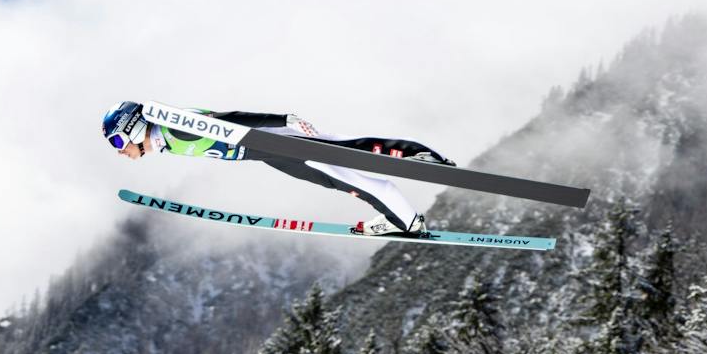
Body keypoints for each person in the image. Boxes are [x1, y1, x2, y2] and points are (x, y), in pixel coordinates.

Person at [102, 101, 454, 237]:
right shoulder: (166, 139)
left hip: (274, 141)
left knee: (351, 159)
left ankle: (418, 165)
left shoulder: (175, 129)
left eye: (118, 142)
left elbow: (229, 120)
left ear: (133, 128)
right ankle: (402, 217)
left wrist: (281, 118)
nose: (121, 152)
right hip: (267, 153)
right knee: (342, 179)